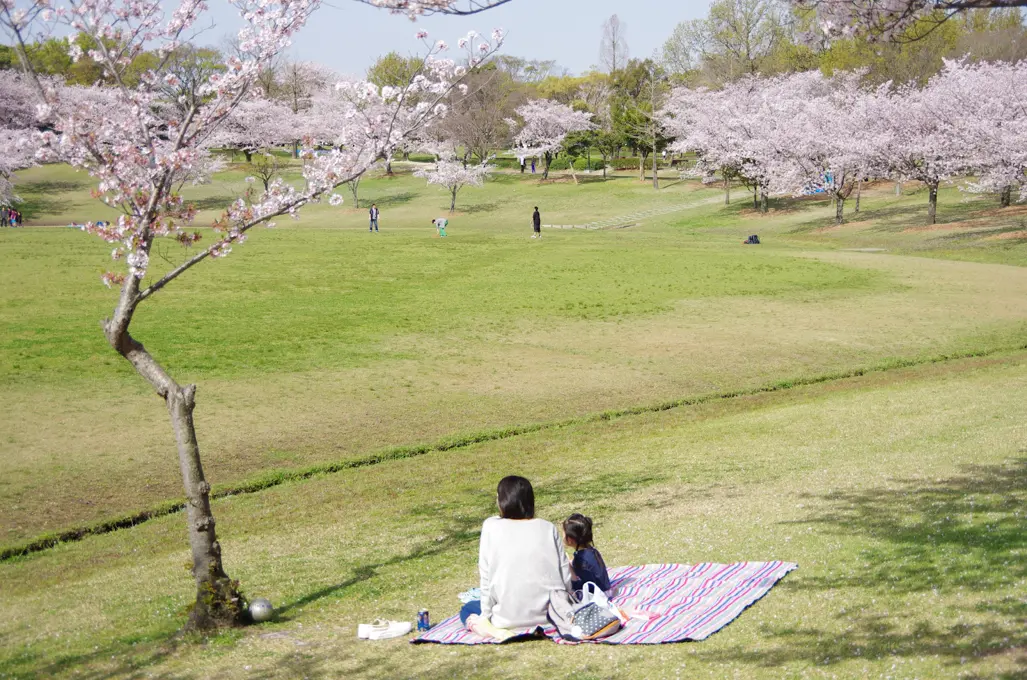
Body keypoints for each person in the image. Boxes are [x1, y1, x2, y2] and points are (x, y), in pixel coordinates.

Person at [460, 476, 573, 634]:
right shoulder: (548, 527)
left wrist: (485, 616)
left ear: (502, 501)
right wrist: (568, 603)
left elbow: (486, 578)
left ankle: (488, 629)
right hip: (553, 615)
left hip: (507, 619)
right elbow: (565, 574)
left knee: (468, 608)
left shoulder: (491, 527)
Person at [563, 513, 610, 593]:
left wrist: (568, 567)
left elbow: (578, 585)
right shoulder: (592, 550)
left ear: (570, 540)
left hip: (597, 594)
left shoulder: (580, 560)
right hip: (605, 587)